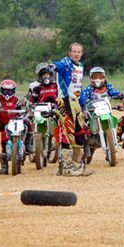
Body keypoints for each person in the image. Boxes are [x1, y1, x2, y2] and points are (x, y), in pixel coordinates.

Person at [50, 43, 90, 176]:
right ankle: (66, 168)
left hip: (76, 102)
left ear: (82, 53)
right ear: (69, 53)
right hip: (65, 101)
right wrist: (53, 65)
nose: (77, 54)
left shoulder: (80, 66)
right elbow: (59, 65)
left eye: (79, 52)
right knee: (67, 134)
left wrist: (84, 104)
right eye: (74, 51)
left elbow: (79, 86)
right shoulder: (66, 63)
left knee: (80, 133)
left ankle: (77, 166)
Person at [0, 79, 32, 175]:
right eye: (5, 90)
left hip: (16, 122)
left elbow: (20, 111)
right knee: (4, 144)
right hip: (4, 125)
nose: (7, 93)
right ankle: (4, 167)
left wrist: (23, 113)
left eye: (9, 91)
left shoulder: (16, 100)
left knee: (28, 123)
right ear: (1, 90)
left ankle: (28, 143)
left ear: (13, 91)